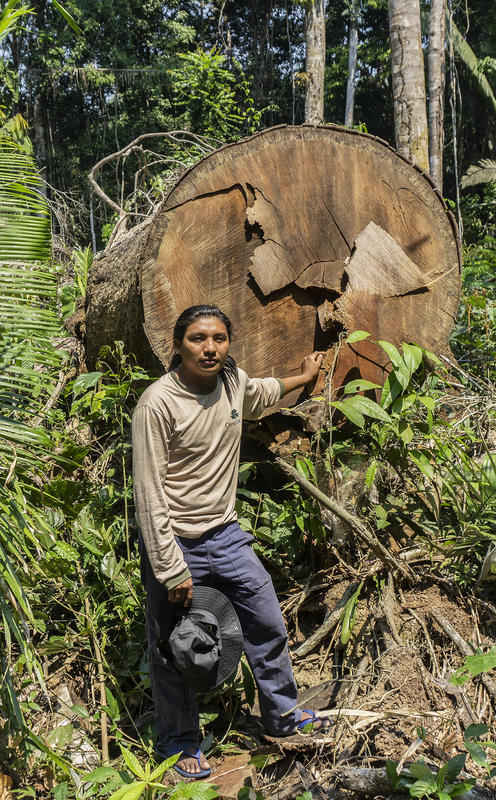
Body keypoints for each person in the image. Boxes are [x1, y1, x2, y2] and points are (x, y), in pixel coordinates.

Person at [132, 304, 330, 779]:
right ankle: (178, 745)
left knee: (265, 620)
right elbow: (148, 493)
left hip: (226, 535)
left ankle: (282, 716)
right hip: (175, 542)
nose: (210, 348)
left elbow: (266, 392)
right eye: (198, 338)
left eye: (219, 338)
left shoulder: (231, 384)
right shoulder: (157, 404)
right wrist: (170, 567)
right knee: (174, 647)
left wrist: (302, 378)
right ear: (177, 344)